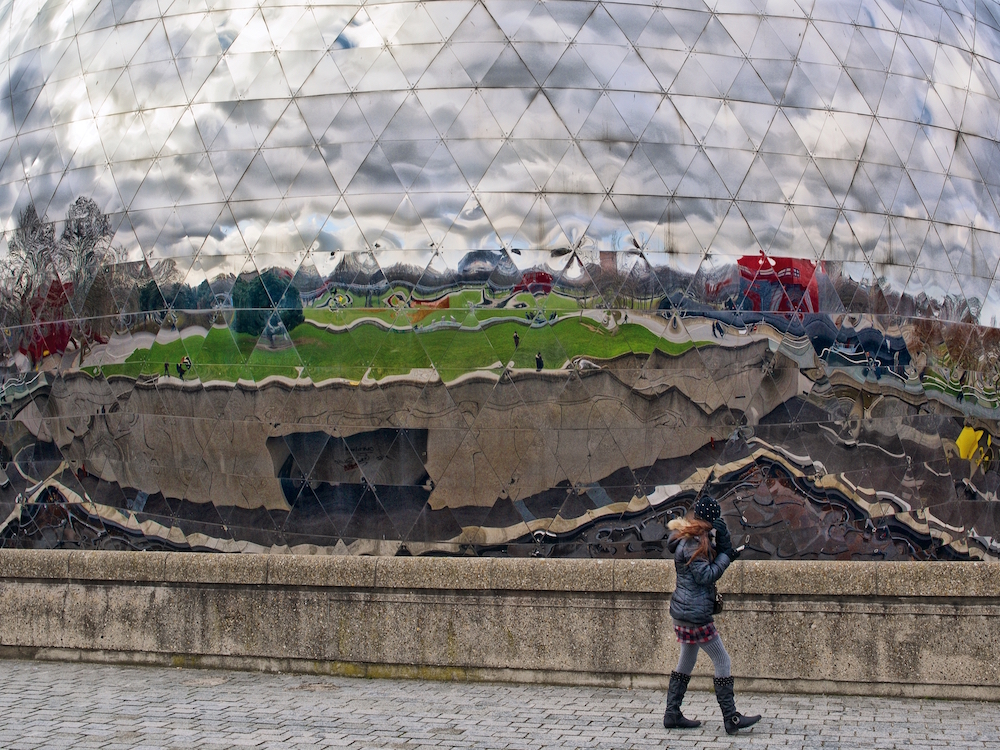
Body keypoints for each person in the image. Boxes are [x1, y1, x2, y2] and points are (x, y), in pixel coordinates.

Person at [662, 495, 760, 735]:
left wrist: (724, 548)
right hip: (696, 615)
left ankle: (672, 713)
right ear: (710, 519)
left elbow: (705, 565)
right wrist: (727, 557)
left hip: (684, 613)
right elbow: (706, 576)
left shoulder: (691, 538)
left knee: (687, 659)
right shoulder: (694, 543)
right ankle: (731, 718)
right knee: (722, 660)